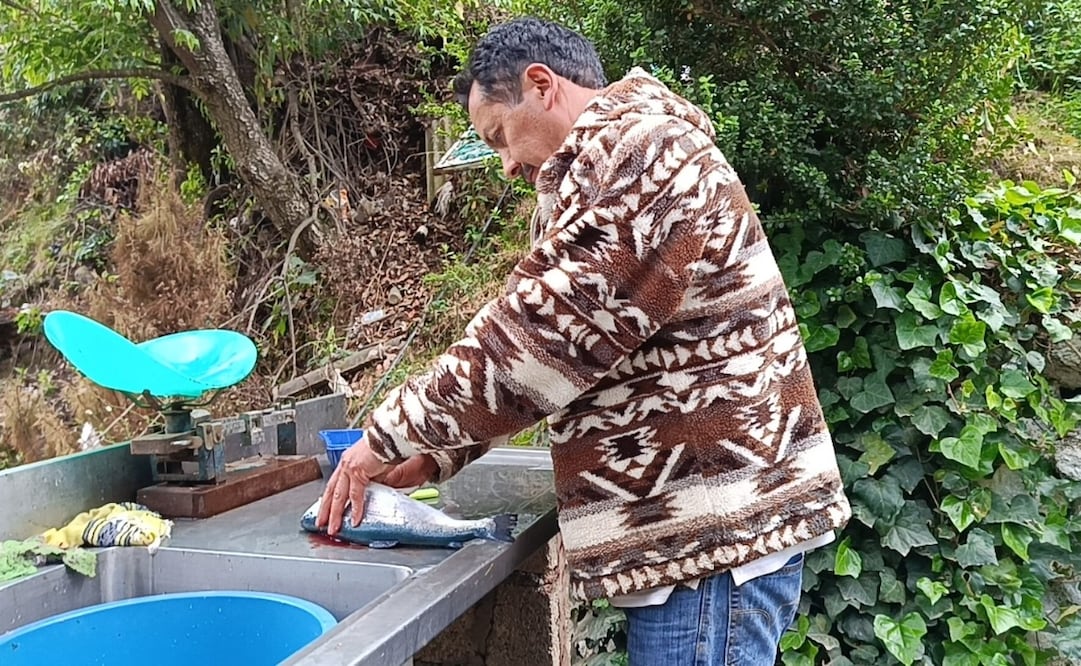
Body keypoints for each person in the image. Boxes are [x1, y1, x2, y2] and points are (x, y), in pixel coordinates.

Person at [317, 16, 852, 665]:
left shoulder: (649, 157)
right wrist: (437, 454)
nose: (506, 164)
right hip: (701, 544)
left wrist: (384, 438)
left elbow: (537, 338)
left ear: (541, 84)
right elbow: (573, 356)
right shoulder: (610, 169)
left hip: (712, 545)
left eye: (499, 136)